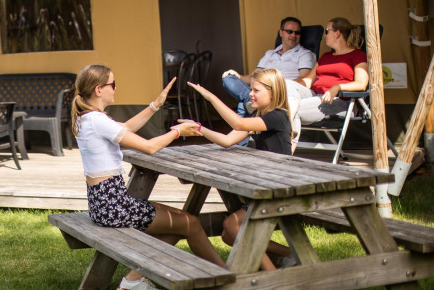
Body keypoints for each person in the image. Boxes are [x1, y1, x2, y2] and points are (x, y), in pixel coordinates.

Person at [72, 64, 225, 290]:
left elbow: (125, 128)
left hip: (103, 204)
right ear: (98, 89)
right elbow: (150, 147)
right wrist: (178, 132)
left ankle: (132, 281)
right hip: (115, 207)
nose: (115, 88)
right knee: (190, 223)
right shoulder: (97, 120)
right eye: (112, 84)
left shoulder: (88, 118)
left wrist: (155, 105)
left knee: (178, 220)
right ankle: (228, 279)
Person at [186, 68, 296, 270]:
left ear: (272, 93)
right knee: (228, 236)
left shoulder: (277, 117)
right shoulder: (260, 117)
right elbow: (227, 140)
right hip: (268, 191)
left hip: (281, 192)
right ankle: (288, 254)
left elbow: (238, 122)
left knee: (231, 226)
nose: (250, 94)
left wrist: (211, 97)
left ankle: (271, 276)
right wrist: (199, 128)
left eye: (255, 90)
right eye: (250, 89)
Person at [221, 17, 316, 146]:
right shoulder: (270, 54)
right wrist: (237, 76)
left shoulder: (304, 54)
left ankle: (248, 104)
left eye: (297, 33)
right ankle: (248, 99)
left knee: (243, 106)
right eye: (289, 31)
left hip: (284, 91)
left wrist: (277, 88)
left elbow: (304, 80)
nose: (293, 35)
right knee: (228, 78)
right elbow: (253, 77)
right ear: (281, 32)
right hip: (261, 89)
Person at [287, 17, 369, 133]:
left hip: (338, 101)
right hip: (314, 96)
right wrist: (281, 84)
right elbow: (308, 81)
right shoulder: (326, 56)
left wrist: (337, 87)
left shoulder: (358, 55)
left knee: (290, 110)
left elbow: (361, 84)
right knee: (285, 84)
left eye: (327, 31)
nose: (324, 35)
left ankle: (286, 145)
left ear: (337, 33)